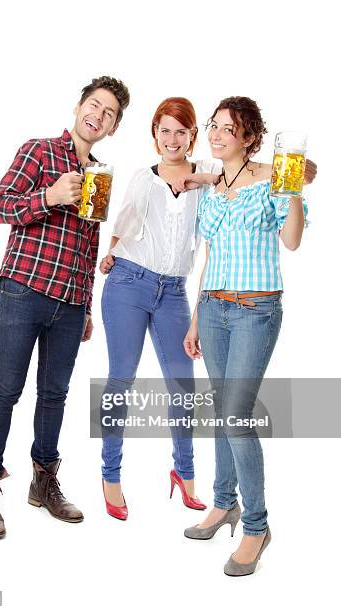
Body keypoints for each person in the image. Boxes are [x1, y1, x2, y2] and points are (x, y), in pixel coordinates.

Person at [0, 76, 130, 539]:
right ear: (80, 106)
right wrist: (50, 196)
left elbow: (88, 241)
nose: (98, 116)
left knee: (55, 396)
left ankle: (44, 482)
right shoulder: (38, 151)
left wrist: (87, 307)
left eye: (109, 114)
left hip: (70, 304)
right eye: (94, 105)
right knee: (5, 389)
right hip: (23, 291)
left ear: (113, 128)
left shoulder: (101, 174)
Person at [181, 96, 315, 576]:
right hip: (214, 307)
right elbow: (209, 256)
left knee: (235, 414)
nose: (216, 134)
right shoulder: (215, 187)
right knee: (222, 410)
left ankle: (256, 526)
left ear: (249, 136)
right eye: (213, 126)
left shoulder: (273, 179)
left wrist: (295, 189)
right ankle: (223, 504)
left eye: (227, 128)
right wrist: (197, 318)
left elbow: (293, 240)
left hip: (256, 309)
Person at [98, 97, 219, 520]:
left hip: (174, 292)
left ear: (192, 136)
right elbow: (125, 224)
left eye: (180, 131)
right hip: (129, 282)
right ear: (154, 134)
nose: (172, 139)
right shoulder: (141, 178)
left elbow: (235, 176)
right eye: (164, 130)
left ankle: (184, 473)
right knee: (121, 380)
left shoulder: (209, 175)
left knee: (183, 388)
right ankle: (110, 475)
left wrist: (192, 179)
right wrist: (111, 254)